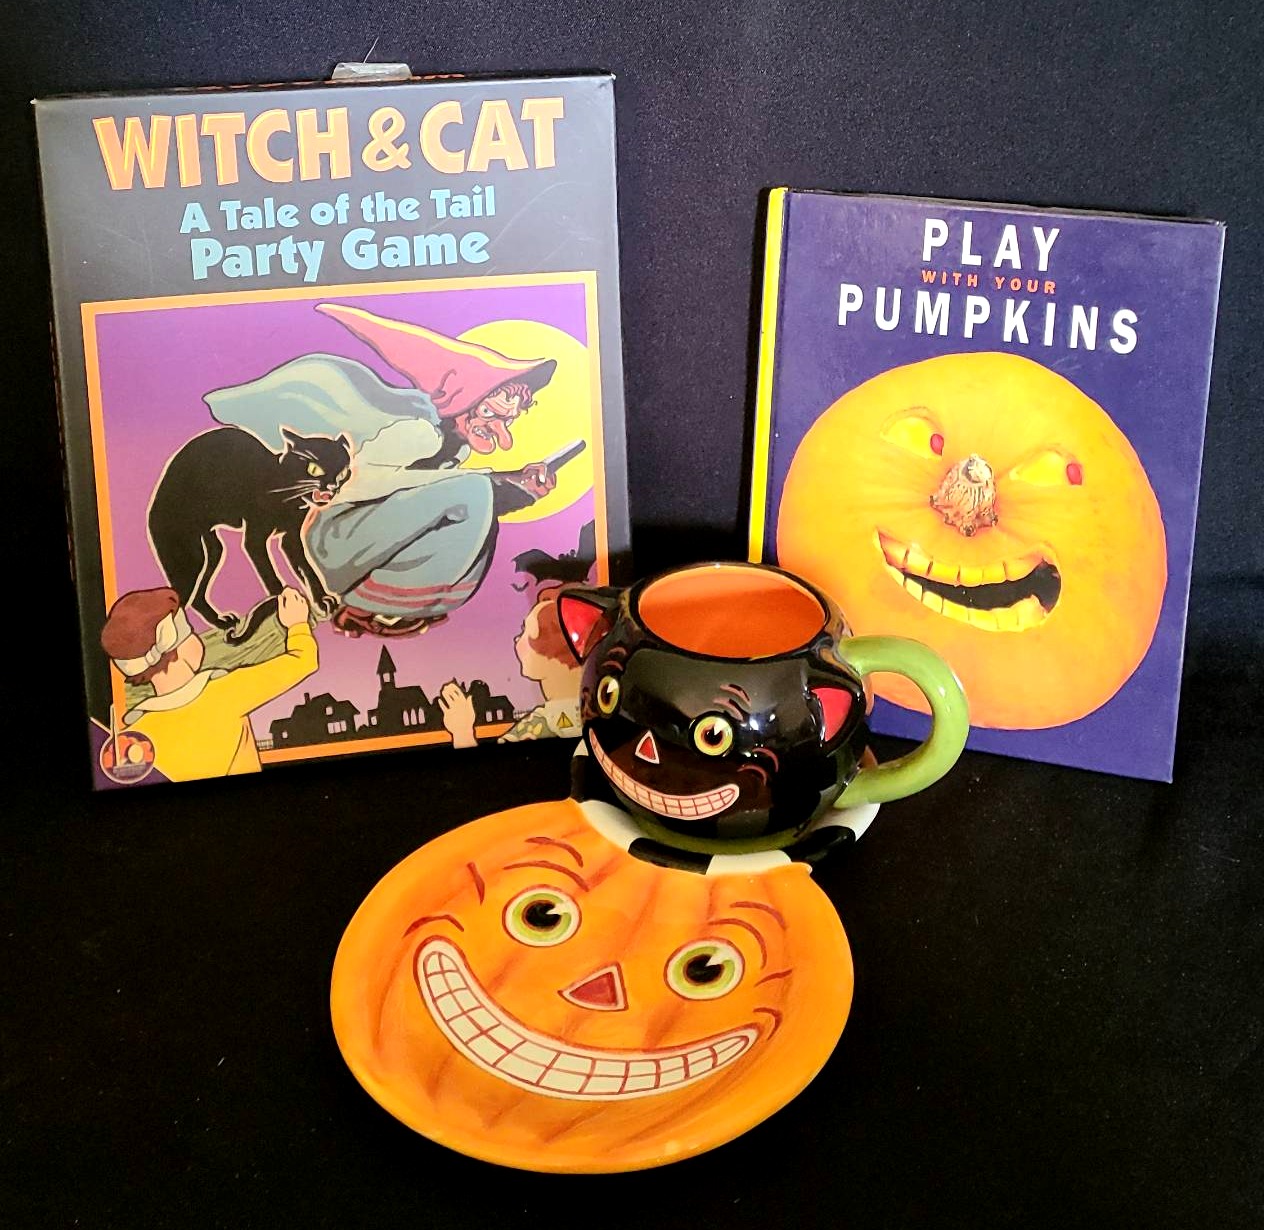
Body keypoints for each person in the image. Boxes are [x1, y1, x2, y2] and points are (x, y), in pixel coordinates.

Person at [100, 585, 317, 781]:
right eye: (190, 633)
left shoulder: (136, 735)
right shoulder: (226, 693)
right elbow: (303, 660)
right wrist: (297, 623)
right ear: (178, 651)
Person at [439, 584, 581, 748]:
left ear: (554, 649)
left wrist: (462, 732)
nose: (517, 639)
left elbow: (494, 766)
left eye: (525, 631)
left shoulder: (534, 728)